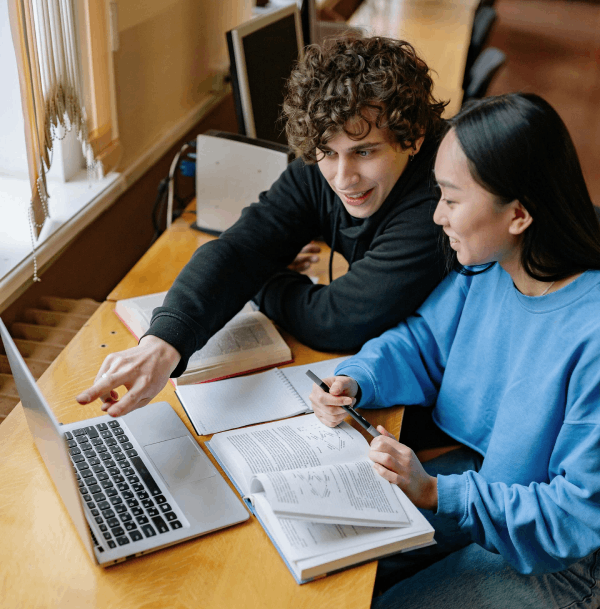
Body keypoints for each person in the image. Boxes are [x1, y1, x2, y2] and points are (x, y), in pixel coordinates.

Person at [309, 92, 600, 608]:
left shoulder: (592, 333)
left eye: (451, 198)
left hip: (572, 559)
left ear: (519, 215)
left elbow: (577, 516)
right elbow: (422, 341)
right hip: (493, 483)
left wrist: (437, 494)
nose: (438, 216)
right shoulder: (490, 268)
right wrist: (358, 378)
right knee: (331, 546)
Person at [77, 35, 448, 416]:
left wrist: (265, 278)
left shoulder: (444, 197)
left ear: (414, 137)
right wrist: (161, 343)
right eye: (326, 153)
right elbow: (241, 248)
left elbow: (335, 320)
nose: (342, 178)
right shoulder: (329, 157)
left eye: (364, 152)